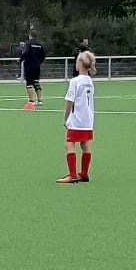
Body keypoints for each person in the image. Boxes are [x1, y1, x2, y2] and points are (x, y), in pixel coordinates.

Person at [58, 51, 96, 183]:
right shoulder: (89, 81)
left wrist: (66, 118)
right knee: (85, 143)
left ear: (80, 63)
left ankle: (72, 175)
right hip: (88, 119)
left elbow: (70, 101)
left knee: (69, 143)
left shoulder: (75, 81)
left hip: (77, 119)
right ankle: (84, 174)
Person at [20, 33, 46, 109]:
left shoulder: (28, 43)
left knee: (29, 83)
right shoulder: (40, 44)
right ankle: (39, 100)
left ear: (30, 35)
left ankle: (31, 100)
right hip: (37, 66)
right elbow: (43, 56)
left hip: (29, 65)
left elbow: (25, 53)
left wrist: (21, 60)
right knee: (36, 81)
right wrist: (39, 62)